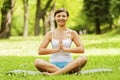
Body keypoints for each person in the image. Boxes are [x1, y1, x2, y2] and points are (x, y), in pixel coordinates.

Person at [34, 8, 87, 76]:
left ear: (67, 18)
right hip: (53, 65)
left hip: (69, 64)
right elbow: (40, 51)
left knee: (83, 58)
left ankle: (53, 74)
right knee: (37, 62)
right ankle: (67, 72)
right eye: (58, 16)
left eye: (63, 16)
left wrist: (65, 49)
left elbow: (81, 49)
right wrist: (56, 50)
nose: (61, 18)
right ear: (55, 18)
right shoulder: (50, 34)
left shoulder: (72, 33)